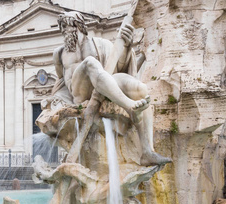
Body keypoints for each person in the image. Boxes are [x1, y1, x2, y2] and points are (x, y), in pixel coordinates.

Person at [53, 11, 171, 166]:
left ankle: (147, 151)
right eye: (62, 27)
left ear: (78, 25)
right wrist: (55, 102)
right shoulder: (59, 53)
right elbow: (61, 82)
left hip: (103, 84)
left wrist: (127, 46)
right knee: (90, 62)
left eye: (66, 25)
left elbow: (120, 66)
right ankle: (130, 106)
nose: (63, 30)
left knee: (140, 89)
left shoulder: (100, 43)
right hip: (80, 92)